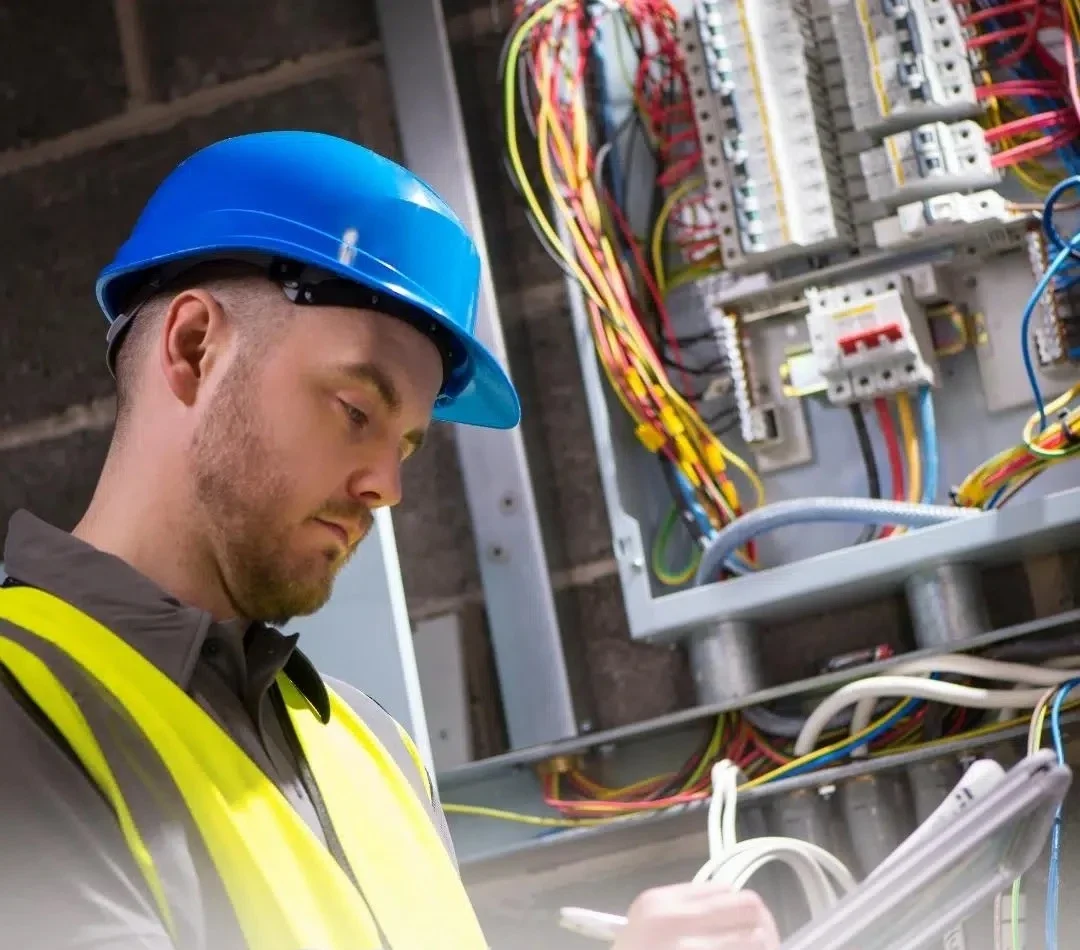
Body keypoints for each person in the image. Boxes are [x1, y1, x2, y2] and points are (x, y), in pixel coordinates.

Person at [0, 131, 780, 949]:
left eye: (406, 444)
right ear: (195, 348)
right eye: (356, 412)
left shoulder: (368, 745)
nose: (388, 487)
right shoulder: (24, 707)